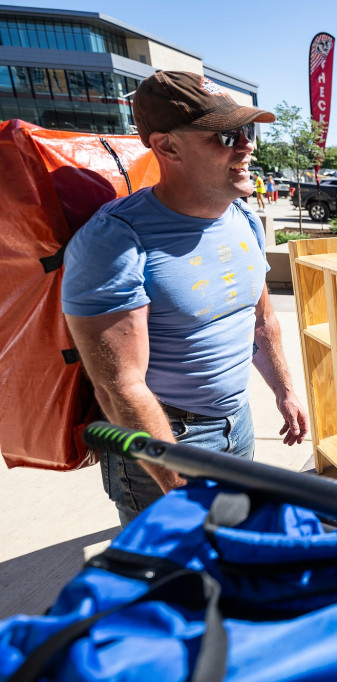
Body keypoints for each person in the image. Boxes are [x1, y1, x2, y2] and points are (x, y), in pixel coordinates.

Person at [61, 70, 310, 527]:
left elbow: (261, 321)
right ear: (166, 147)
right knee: (175, 582)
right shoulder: (115, 241)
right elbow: (119, 388)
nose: (247, 145)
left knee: (231, 560)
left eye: (247, 131)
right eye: (225, 135)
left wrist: (286, 391)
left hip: (239, 423)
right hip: (166, 443)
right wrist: (175, 483)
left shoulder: (243, 218)